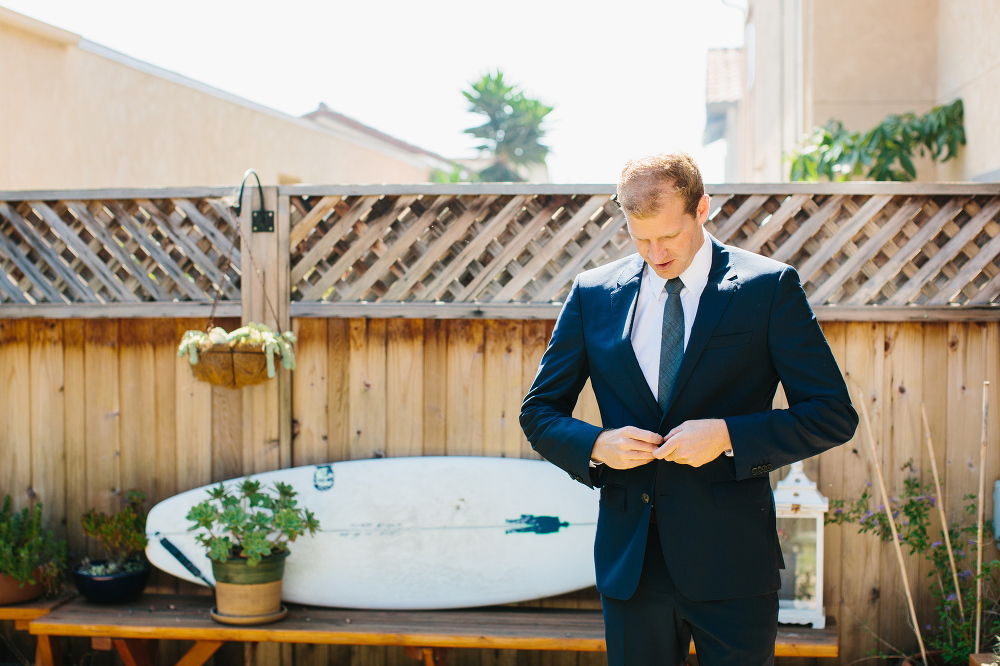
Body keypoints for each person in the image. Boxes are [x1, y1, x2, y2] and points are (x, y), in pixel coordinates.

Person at [520, 152, 858, 665]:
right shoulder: (593, 295)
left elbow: (832, 412)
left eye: (668, 237)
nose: (655, 253)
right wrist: (596, 445)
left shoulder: (768, 289)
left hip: (733, 565)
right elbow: (539, 412)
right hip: (632, 567)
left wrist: (727, 436)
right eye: (640, 239)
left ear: (703, 208)